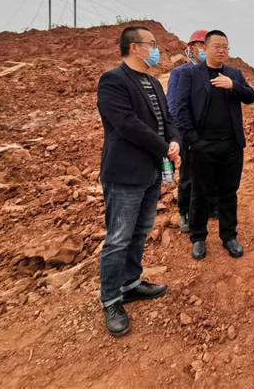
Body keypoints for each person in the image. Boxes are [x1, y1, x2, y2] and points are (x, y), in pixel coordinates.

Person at [96, 25, 181, 337]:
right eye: (152, 44)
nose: (156, 50)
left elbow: (167, 118)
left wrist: (175, 141)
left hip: (151, 171)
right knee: (119, 237)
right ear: (135, 47)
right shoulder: (113, 81)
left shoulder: (153, 82)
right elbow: (126, 124)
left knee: (141, 230)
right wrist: (164, 147)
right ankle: (111, 299)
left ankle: (130, 284)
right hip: (125, 172)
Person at [174, 30, 254, 260]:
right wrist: (193, 141)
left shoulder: (234, 74)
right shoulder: (190, 74)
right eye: (217, 46)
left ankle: (229, 236)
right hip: (202, 147)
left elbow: (250, 96)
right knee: (199, 194)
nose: (221, 50)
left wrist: (233, 86)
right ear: (205, 49)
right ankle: (198, 238)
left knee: (228, 193)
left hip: (231, 146)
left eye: (225, 47)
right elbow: (181, 109)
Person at [167, 29, 211, 233]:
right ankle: (185, 212)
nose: (205, 50)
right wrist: (182, 133)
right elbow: (173, 106)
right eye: (202, 46)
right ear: (192, 48)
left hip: (209, 134)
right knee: (188, 176)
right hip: (189, 134)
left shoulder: (214, 73)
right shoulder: (180, 73)